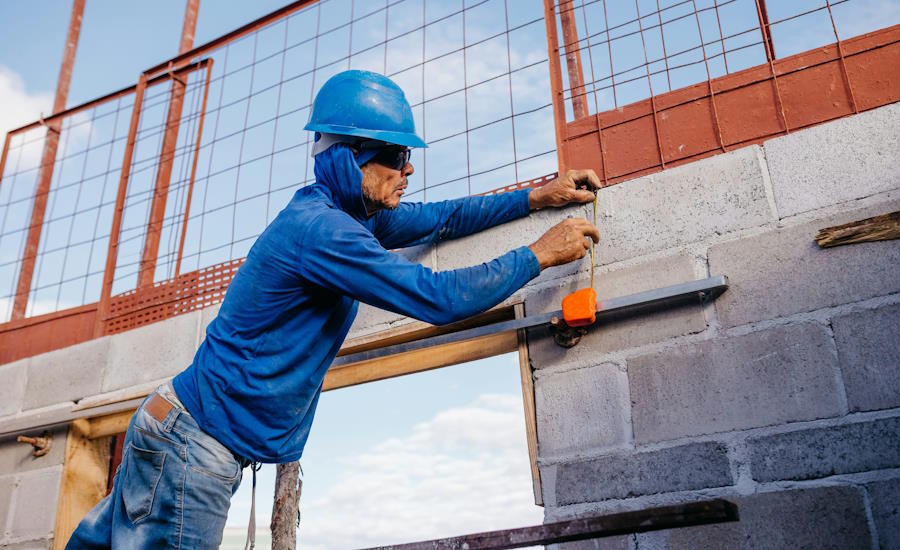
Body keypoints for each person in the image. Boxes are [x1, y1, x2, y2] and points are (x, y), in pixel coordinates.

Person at [67, 70, 601, 548]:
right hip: (193, 449)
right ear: (349, 157)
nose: (408, 168)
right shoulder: (324, 233)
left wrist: (536, 198)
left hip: (177, 432)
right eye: (394, 156)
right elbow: (439, 298)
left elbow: (444, 217)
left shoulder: (353, 216)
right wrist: (539, 254)